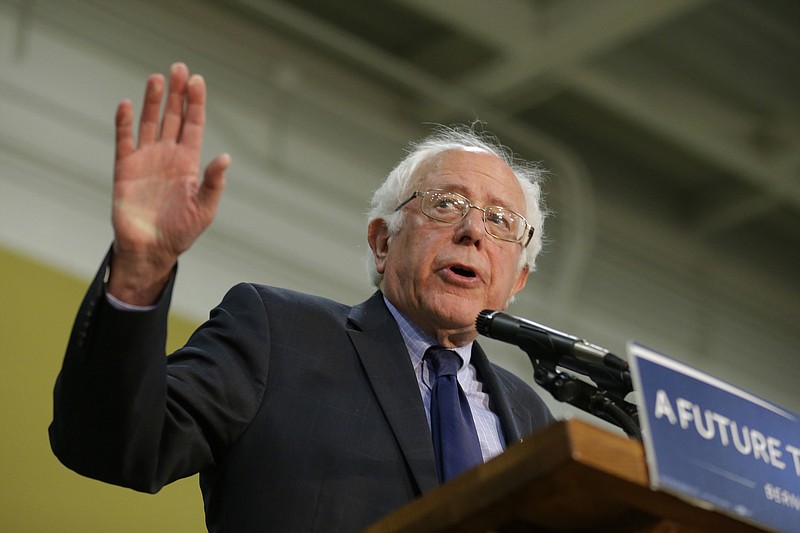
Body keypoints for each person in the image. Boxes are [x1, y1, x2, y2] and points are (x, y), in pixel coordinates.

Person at [49, 63, 554, 532]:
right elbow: (112, 444)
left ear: (517, 281)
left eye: (500, 221)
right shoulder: (279, 334)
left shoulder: (532, 418)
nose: (472, 230)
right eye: (446, 204)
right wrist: (141, 271)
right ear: (382, 242)